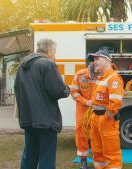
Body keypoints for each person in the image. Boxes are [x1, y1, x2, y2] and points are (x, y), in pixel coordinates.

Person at [14, 38, 70, 169]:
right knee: (47, 157)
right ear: (49, 50)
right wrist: (67, 89)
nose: (55, 54)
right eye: (54, 51)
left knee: (30, 154)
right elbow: (58, 91)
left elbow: (17, 89)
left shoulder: (22, 65)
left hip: (28, 118)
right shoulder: (47, 64)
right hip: (46, 120)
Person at [89, 49, 124, 169]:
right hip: (96, 118)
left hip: (106, 119)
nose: (94, 62)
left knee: (111, 153)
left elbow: (116, 100)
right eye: (93, 60)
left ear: (106, 60)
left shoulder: (113, 78)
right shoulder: (102, 78)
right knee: (97, 151)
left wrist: (107, 116)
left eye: (96, 59)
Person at [70, 62, 99, 169]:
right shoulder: (79, 75)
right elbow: (73, 92)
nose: (94, 78)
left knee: (97, 132)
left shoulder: (103, 74)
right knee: (81, 132)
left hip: (98, 108)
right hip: (83, 108)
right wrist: (86, 102)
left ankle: (98, 157)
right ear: (88, 69)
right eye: (92, 76)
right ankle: (83, 158)